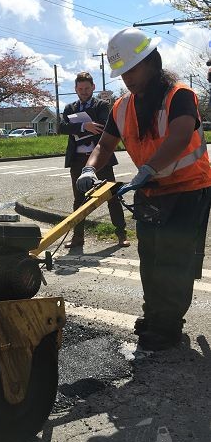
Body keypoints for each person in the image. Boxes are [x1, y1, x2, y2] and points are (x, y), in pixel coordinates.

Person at [77, 27, 211, 351]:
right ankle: (154, 315)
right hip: (150, 190)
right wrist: (89, 168)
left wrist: (149, 167)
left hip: (189, 189)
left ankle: (168, 327)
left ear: (151, 62)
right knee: (149, 256)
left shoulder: (179, 95)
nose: (127, 78)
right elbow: (104, 145)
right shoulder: (121, 107)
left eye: (133, 69)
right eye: (122, 73)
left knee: (172, 257)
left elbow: (179, 136)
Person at [59, 71, 129, 248]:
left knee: (111, 196)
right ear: (75, 89)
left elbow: (106, 125)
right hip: (77, 159)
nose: (83, 92)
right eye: (80, 88)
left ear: (93, 88)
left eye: (87, 88)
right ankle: (77, 238)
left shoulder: (102, 105)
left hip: (100, 158)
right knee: (79, 200)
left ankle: (121, 234)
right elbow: (62, 127)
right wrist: (84, 125)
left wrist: (85, 127)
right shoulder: (70, 108)